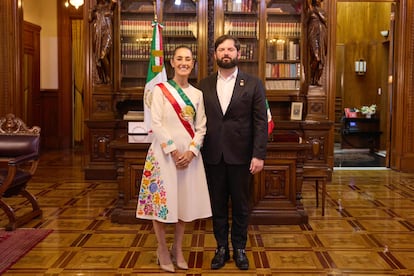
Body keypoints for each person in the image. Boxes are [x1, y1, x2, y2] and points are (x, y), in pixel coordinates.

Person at [136, 46, 211, 273]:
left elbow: (201, 127)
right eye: (179, 59)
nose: (184, 63)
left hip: (189, 157)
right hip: (164, 156)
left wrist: (190, 151)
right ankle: (161, 249)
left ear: (193, 63)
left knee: (183, 203)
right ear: (172, 62)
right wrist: (173, 151)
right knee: (161, 205)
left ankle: (177, 249)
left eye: (188, 59)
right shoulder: (160, 90)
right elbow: (155, 123)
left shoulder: (198, 94)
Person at [198, 35, 268, 270]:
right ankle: (221, 248)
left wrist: (259, 155)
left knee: (241, 205)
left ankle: (239, 248)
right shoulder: (203, 85)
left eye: (230, 49)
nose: (226, 53)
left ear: (239, 53)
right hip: (212, 156)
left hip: (242, 157)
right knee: (217, 206)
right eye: (221, 49)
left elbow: (260, 122)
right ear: (215, 55)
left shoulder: (253, 83)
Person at [89, 0, 117, 84]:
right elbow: (89, 18)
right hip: (98, 35)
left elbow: (114, 4)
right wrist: (91, 11)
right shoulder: (96, 8)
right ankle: (103, 78)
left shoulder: (109, 6)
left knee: (103, 55)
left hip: (107, 34)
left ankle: (110, 77)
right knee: (98, 57)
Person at [307, 0, 327, 86]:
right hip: (313, 34)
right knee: (316, 57)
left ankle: (316, 80)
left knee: (321, 61)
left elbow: (325, 19)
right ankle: (311, 77)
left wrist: (316, 11)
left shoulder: (322, 11)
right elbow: (305, 22)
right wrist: (311, 9)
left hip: (321, 35)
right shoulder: (310, 11)